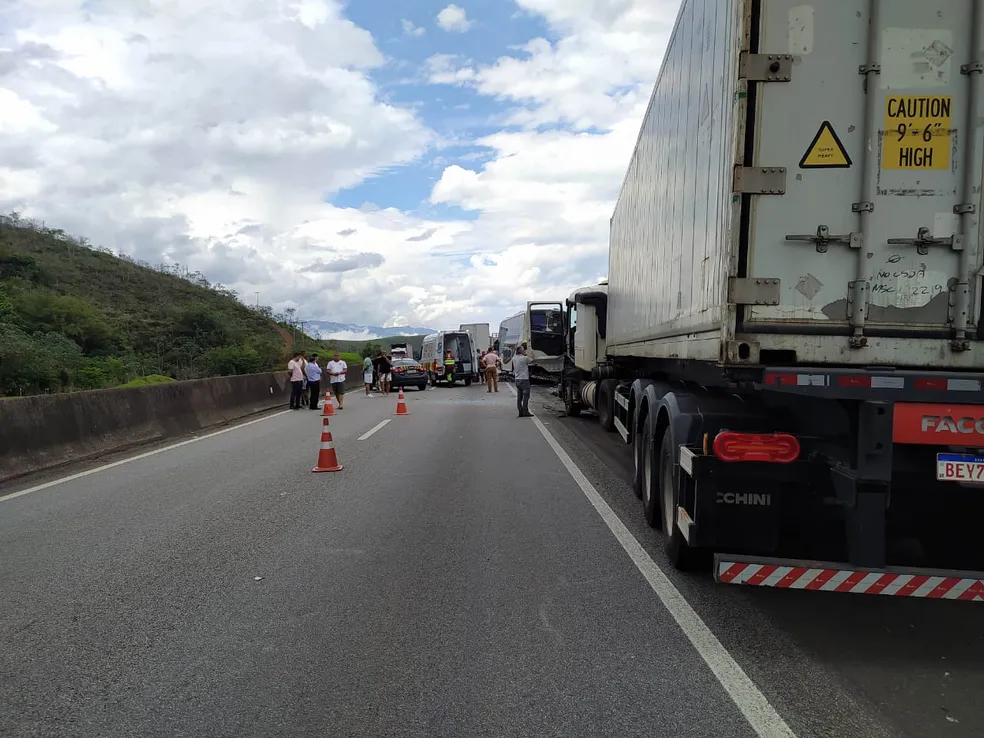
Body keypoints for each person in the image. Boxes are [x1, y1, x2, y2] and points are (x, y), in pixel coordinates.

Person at [512, 346, 533, 418]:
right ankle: (525, 411)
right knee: (526, 396)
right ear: (521, 351)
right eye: (523, 350)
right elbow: (532, 360)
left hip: (517, 379)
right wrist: (531, 353)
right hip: (524, 379)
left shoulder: (514, 358)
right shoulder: (525, 358)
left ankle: (520, 412)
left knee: (519, 397)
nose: (524, 351)